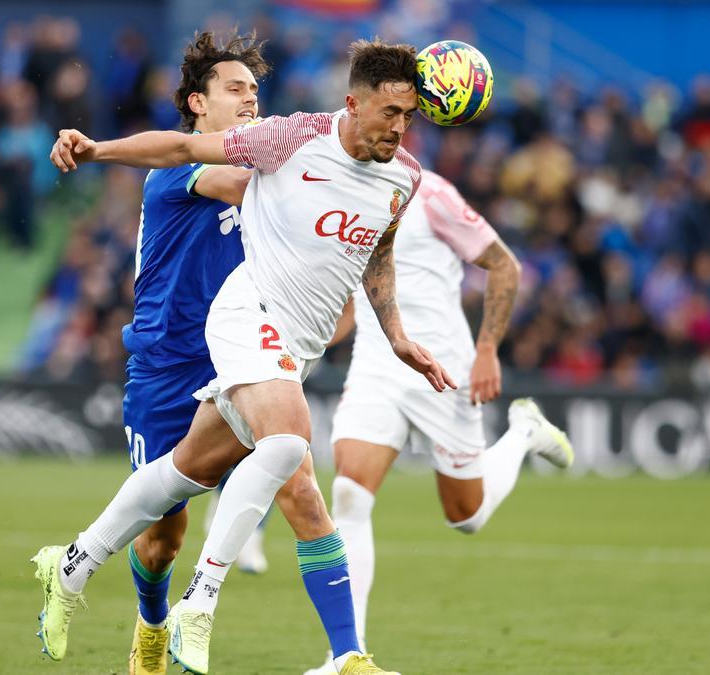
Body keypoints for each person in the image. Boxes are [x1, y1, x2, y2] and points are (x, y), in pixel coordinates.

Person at [36, 38, 450, 675]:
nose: (251, 99)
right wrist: (97, 150)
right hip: (170, 358)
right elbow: (226, 171)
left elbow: (363, 242)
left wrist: (389, 329)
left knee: (299, 490)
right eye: (236, 90)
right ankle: (164, 619)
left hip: (252, 350)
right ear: (198, 104)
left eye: (256, 91)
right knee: (165, 533)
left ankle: (347, 655)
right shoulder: (218, 163)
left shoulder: (386, 174)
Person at [303, 170, 574, 674]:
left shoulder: (434, 194)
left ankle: (523, 434)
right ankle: (344, 655)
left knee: (466, 517)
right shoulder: (341, 188)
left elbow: (504, 266)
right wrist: (307, 347)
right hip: (377, 362)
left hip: (443, 366)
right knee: (348, 495)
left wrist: (488, 349)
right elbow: (350, 294)